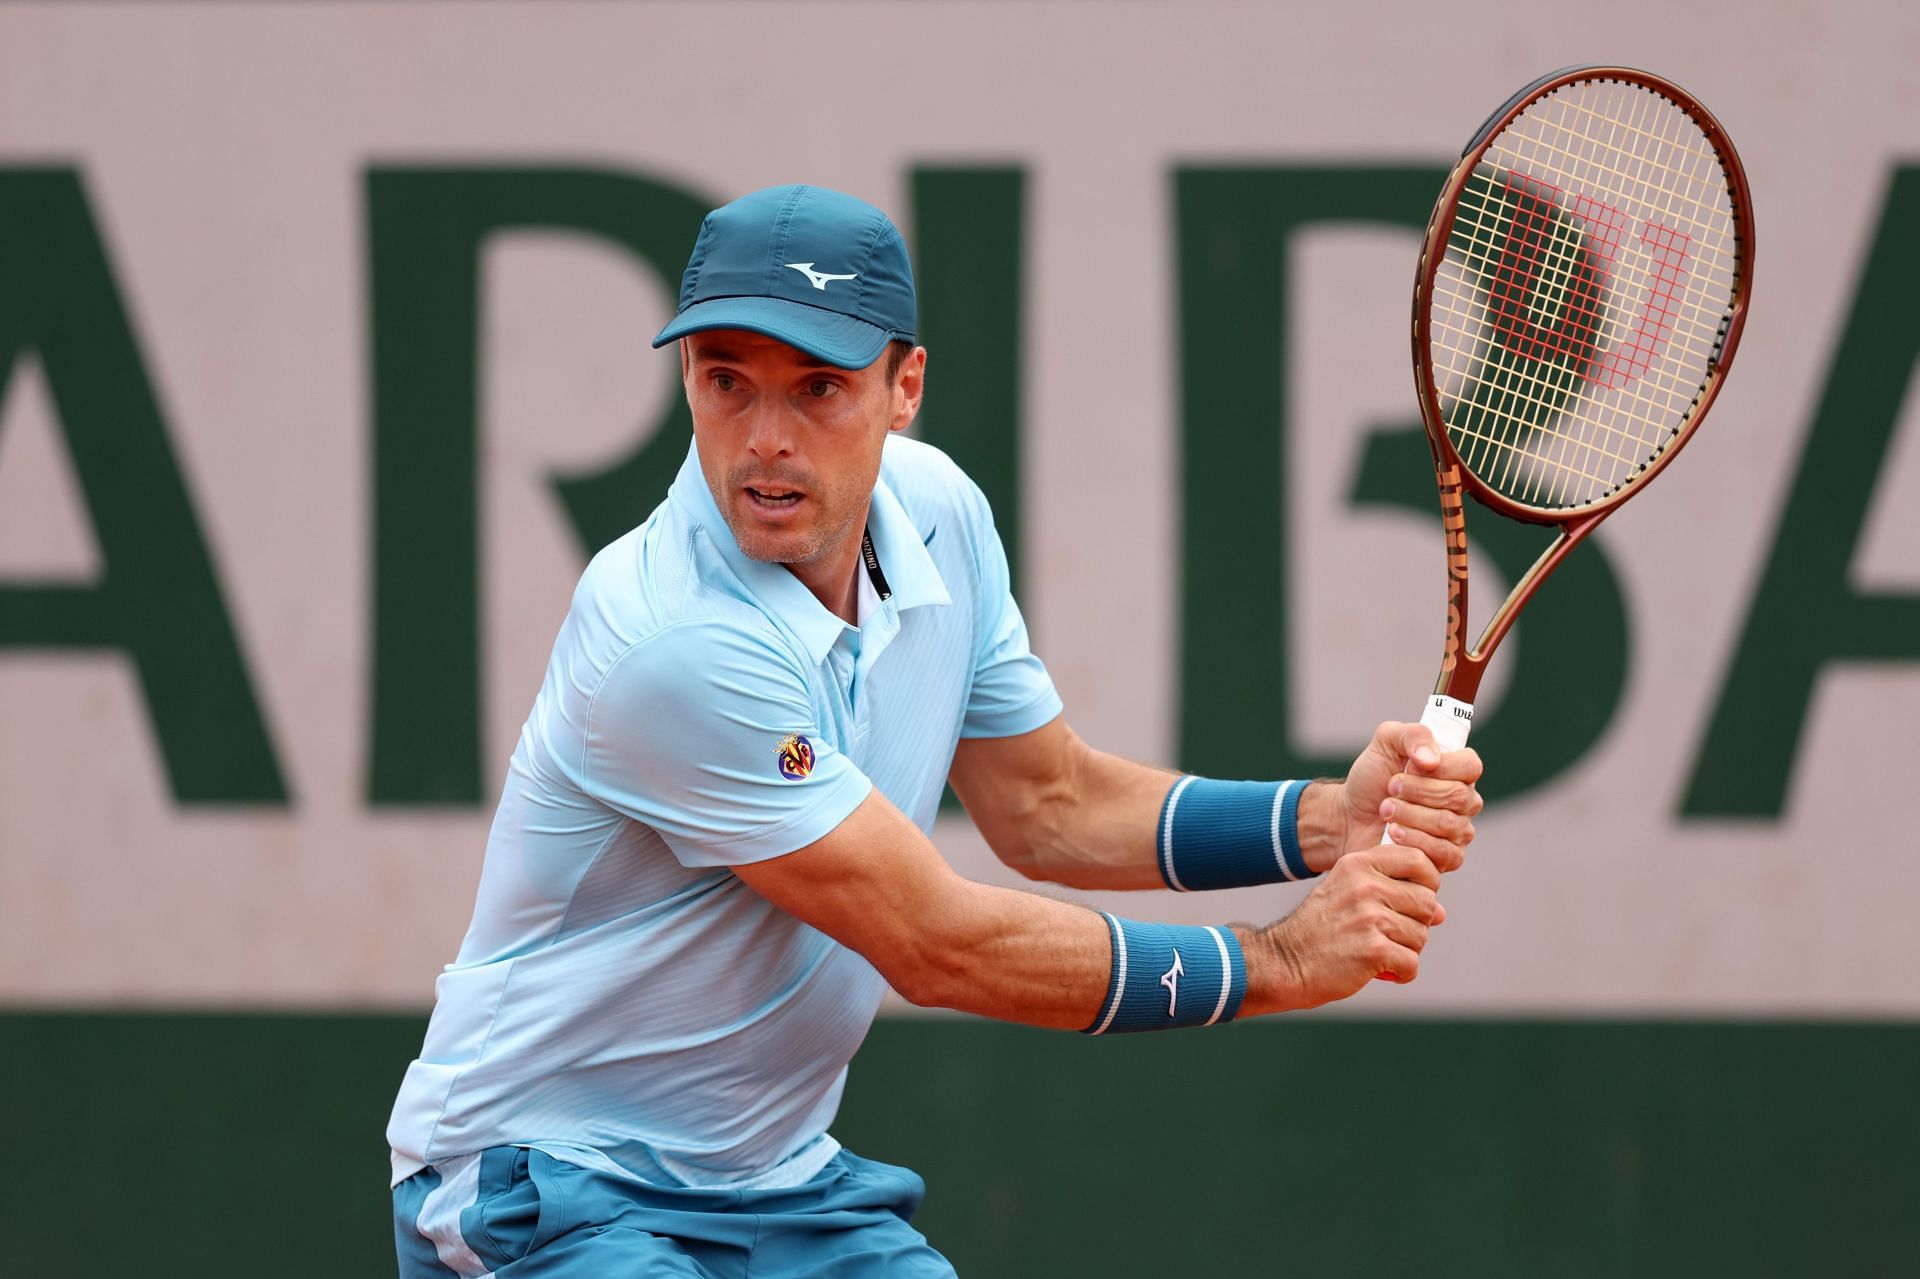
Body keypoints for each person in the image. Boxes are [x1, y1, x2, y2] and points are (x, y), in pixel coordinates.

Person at [387, 183, 1484, 1277]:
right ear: (687, 379)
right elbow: (934, 942)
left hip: (776, 1181)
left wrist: (1327, 821)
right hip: (547, 1181)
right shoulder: (668, 641)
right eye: (728, 383)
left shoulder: (939, 516)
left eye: (819, 387)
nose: (765, 441)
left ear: (904, 386)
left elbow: (1049, 804)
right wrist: (1280, 959)